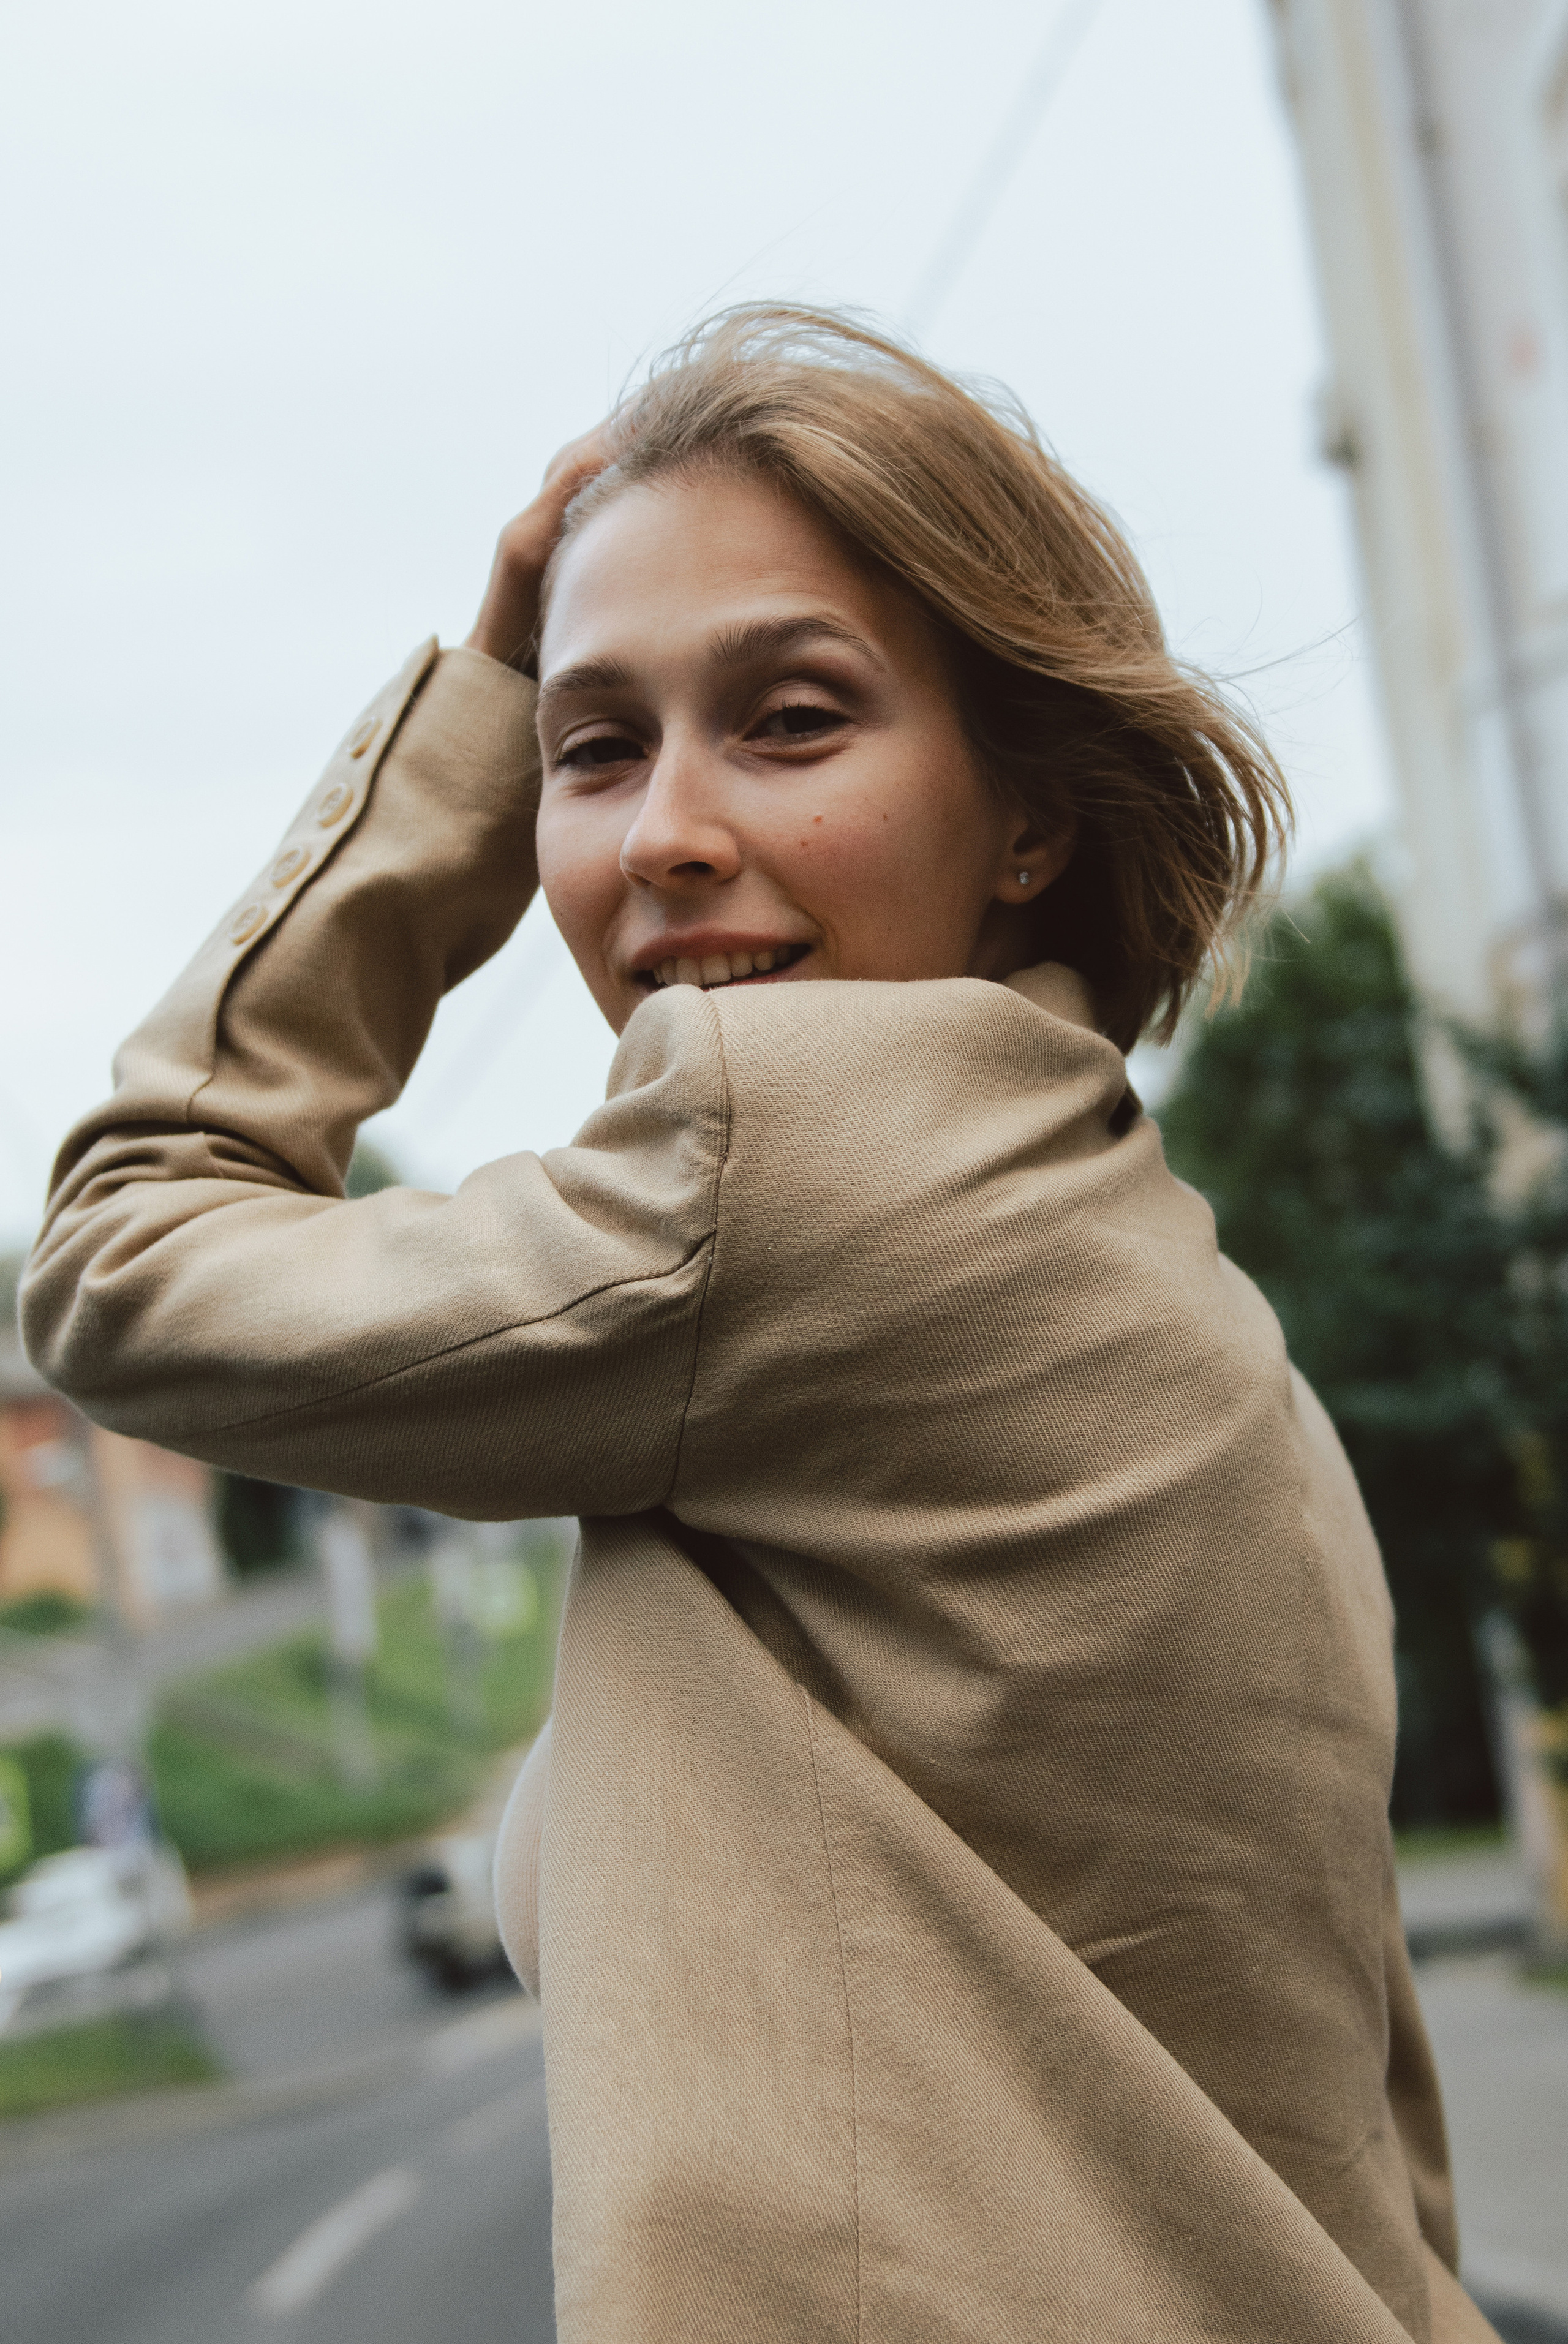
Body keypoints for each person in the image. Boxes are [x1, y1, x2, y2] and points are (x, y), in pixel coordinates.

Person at [21, 308, 1497, 2343]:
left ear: (1030, 817)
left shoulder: (785, 1171)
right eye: (591, 747)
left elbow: (119, 1253)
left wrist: (468, 725)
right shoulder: (1174, 1280)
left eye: (793, 720)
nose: (663, 833)